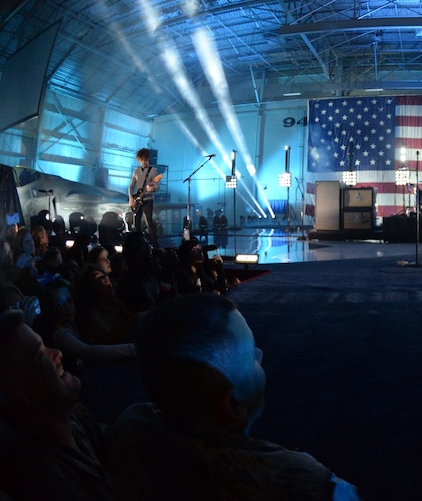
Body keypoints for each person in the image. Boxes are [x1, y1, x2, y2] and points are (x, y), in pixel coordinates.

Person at [109, 293, 361, 500]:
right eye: (252, 356)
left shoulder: (132, 422)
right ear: (232, 406)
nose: (261, 356)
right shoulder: (312, 484)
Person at [0, 309, 119, 500]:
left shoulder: (72, 422)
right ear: (25, 396)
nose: (58, 353)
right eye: (41, 355)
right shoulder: (51, 483)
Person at [127, 148, 160, 249]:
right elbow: (131, 186)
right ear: (139, 160)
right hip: (137, 200)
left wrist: (152, 189)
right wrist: (131, 198)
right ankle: (138, 245)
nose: (144, 162)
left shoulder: (153, 171)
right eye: (142, 160)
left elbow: (157, 185)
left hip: (148, 200)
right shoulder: (136, 171)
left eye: (146, 160)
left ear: (148, 159)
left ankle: (155, 246)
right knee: (136, 223)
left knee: (149, 222)